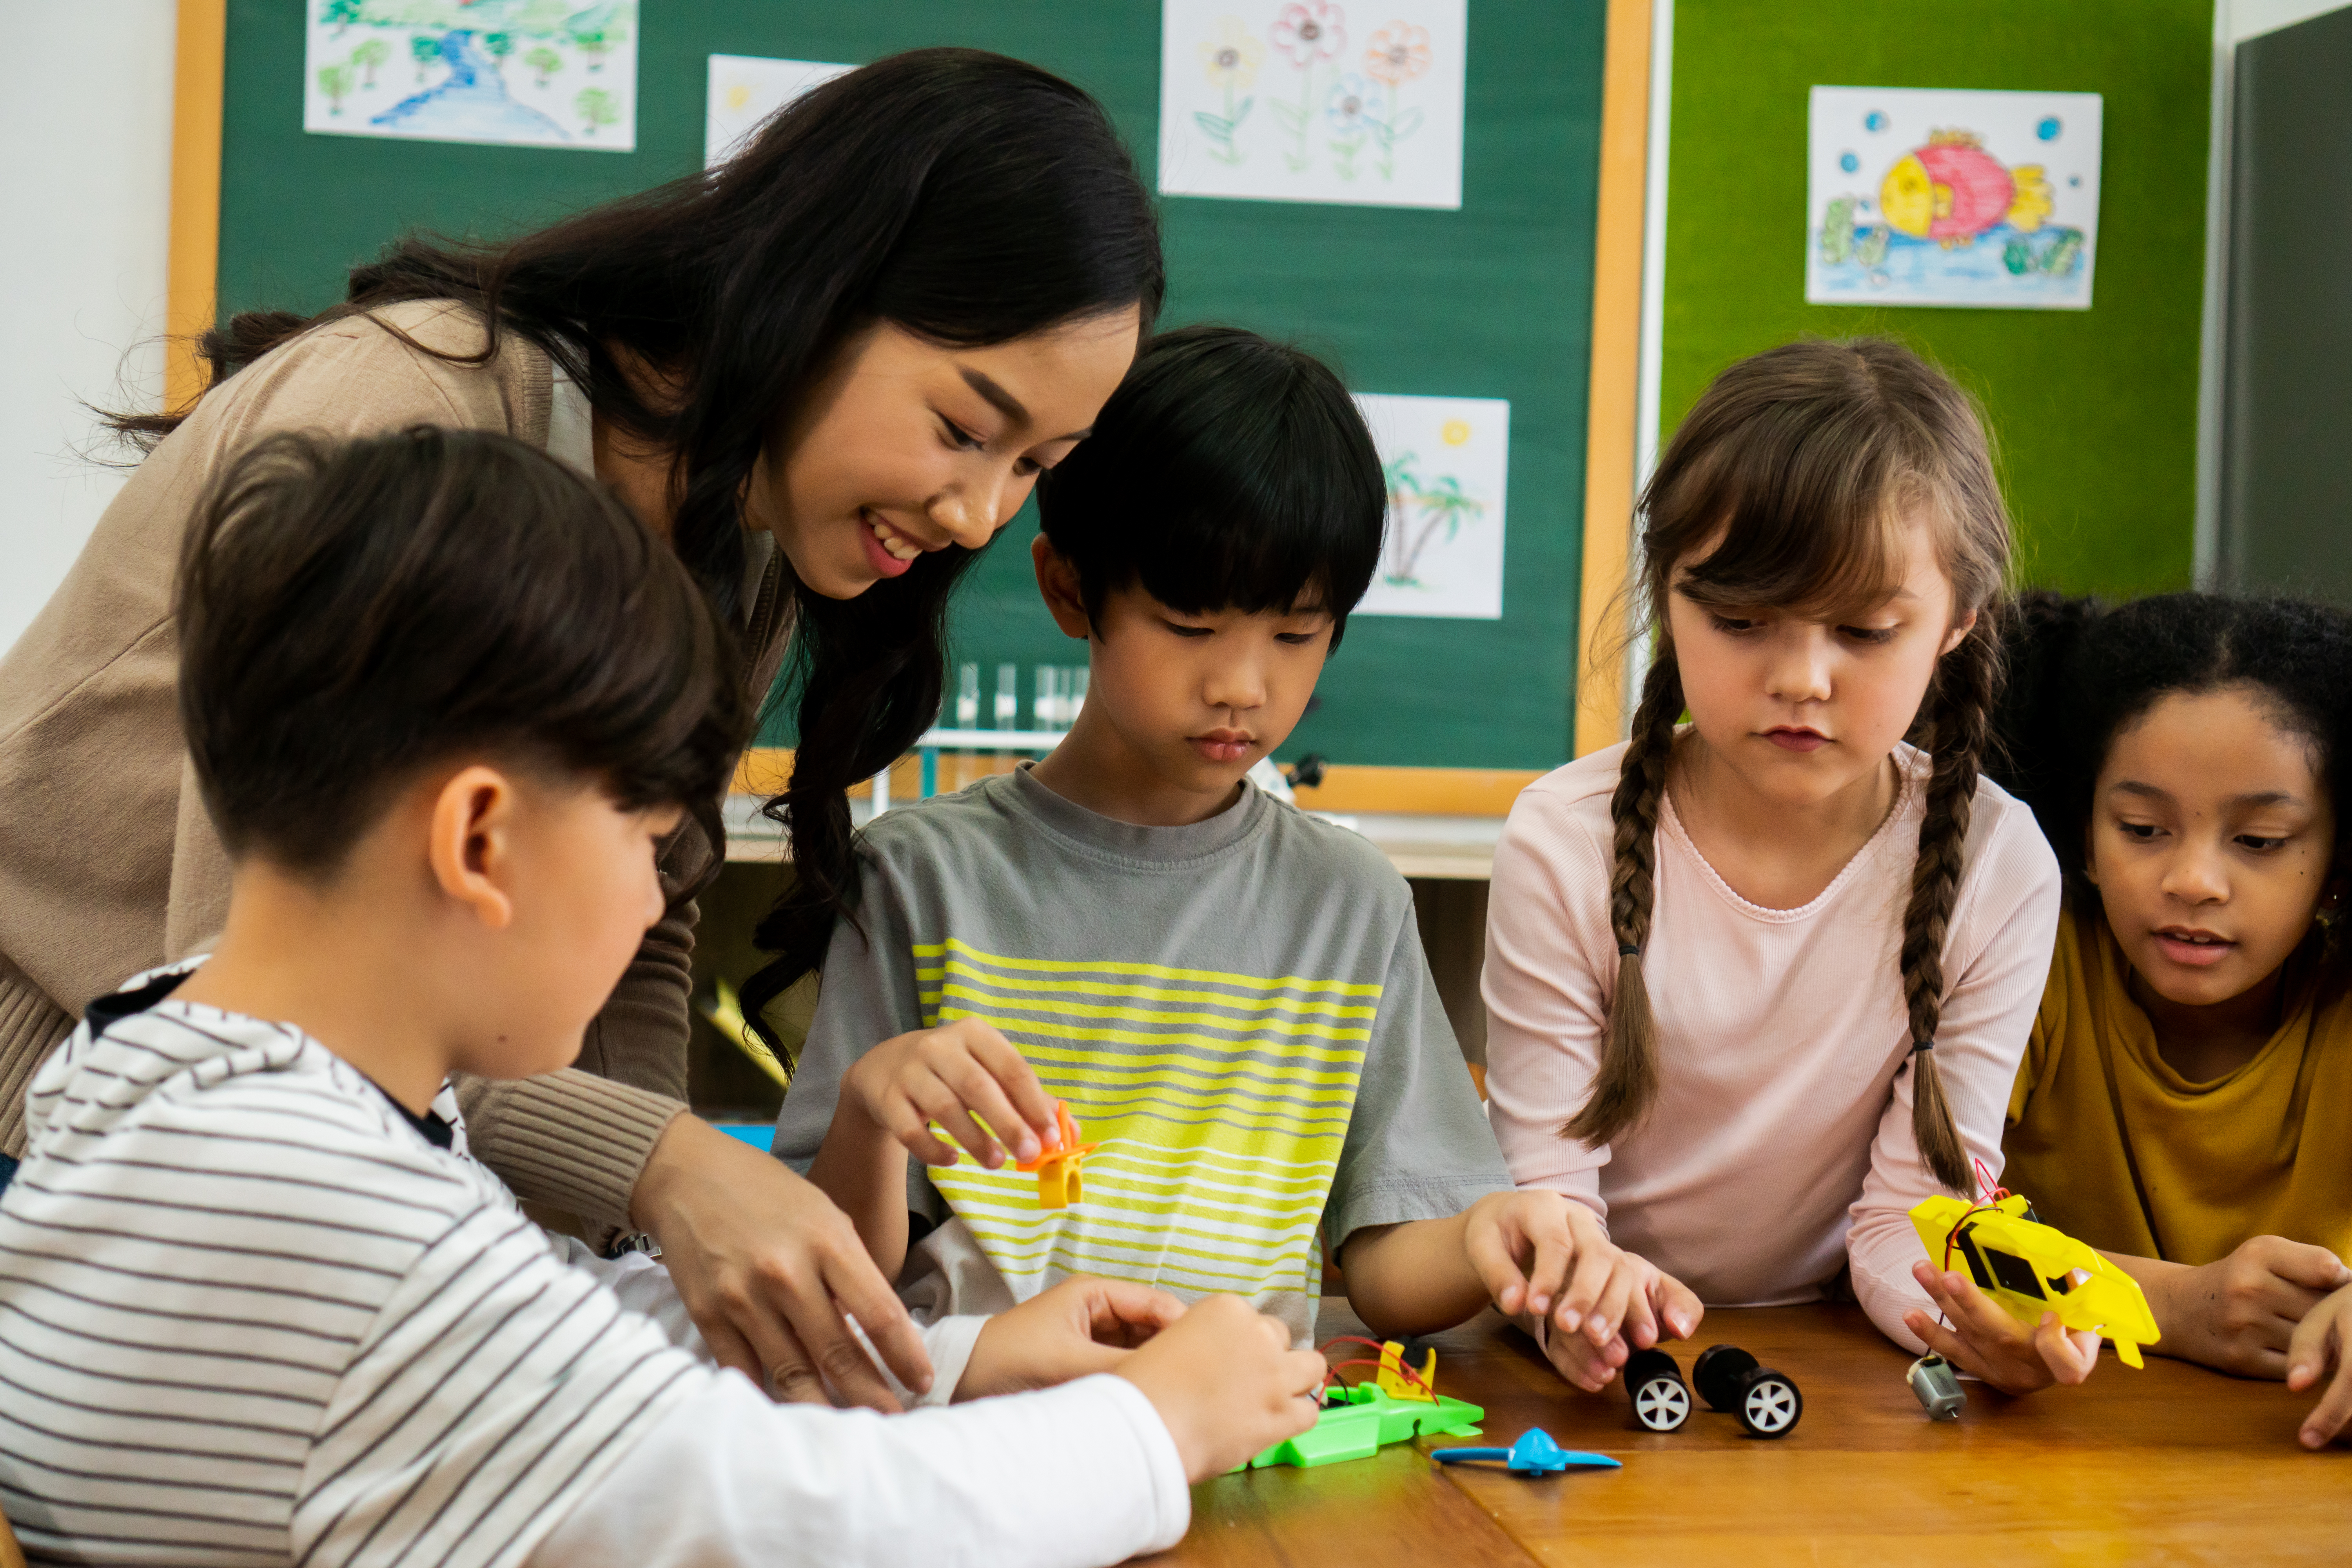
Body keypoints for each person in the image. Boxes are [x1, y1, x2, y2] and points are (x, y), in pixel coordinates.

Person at [0, 48, 1161, 1408]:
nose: (978, 516)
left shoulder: (739, 535)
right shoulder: (402, 419)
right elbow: (280, 1009)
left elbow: (641, 931)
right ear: (816, 288)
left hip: (300, 1176)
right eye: (968, 429)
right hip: (77, 1144)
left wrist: (654, 1212)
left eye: (1034, 470)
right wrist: (660, 1167)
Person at [0, 428, 1326, 1568]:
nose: (654, 906)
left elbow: (580, 1331)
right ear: (479, 842)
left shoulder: (169, 1063)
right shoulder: (308, 1198)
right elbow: (804, 1526)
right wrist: (1160, 1426)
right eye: (645, 839)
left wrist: (965, 1363)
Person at [770, 328, 1693, 1383]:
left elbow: (1388, 1263)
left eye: (1296, 635)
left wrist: (1496, 1231)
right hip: (979, 1434)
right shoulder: (922, 880)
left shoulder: (1350, 906)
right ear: (1070, 590)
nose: (1244, 687)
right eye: (1189, 626)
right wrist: (869, 1111)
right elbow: (833, 1263)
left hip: (1243, 1453)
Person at [1480, 338, 2068, 1392]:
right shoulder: (1562, 840)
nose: (1802, 678)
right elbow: (1548, 1195)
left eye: (1865, 630)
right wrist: (1579, 1290)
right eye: (1741, 621)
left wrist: (1972, 1328)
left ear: (1959, 620)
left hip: (1830, 1362)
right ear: (1668, 595)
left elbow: (1908, 1222)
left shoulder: (1998, 864)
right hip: (1600, 1372)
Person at [1957, 589, 2352, 1446]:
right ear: (2083, 833)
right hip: (2048, 1464)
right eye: (2143, 828)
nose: (2194, 881)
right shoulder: (2032, 958)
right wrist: (2177, 1305)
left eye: (2259, 841)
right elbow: (1924, 1223)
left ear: (2337, 863)